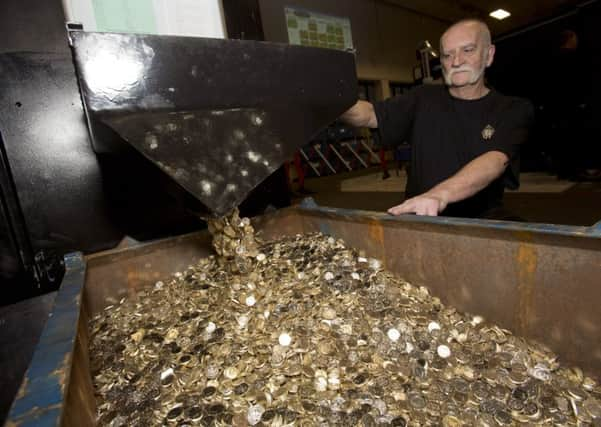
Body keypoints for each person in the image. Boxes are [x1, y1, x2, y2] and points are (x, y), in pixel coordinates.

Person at [341, 19, 534, 218]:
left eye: (468, 50)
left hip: (479, 224)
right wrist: (328, 100)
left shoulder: (512, 109)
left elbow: (494, 161)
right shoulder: (422, 98)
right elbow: (370, 114)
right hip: (422, 219)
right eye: (447, 55)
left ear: (488, 55)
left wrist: (438, 196)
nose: (456, 62)